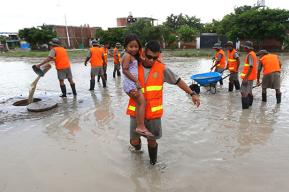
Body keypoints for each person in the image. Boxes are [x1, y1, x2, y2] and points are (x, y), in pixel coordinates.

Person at [127, 40, 200, 165]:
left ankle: (153, 164)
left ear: (159, 56)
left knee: (152, 141)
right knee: (134, 140)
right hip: (136, 112)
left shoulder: (162, 69)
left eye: (155, 58)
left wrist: (192, 93)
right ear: (143, 52)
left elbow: (178, 81)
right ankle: (138, 150)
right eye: (149, 56)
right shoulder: (133, 65)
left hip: (153, 114)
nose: (151, 60)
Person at [122, 34, 154, 138]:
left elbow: (141, 61)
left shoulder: (132, 56)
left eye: (136, 46)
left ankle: (140, 126)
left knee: (139, 103)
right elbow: (125, 70)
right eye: (131, 46)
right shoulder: (127, 56)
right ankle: (140, 126)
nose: (134, 49)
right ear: (126, 47)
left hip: (131, 84)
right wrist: (136, 80)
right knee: (142, 102)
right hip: (130, 84)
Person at [240, 41, 257, 109]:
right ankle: (249, 106)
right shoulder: (253, 54)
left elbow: (251, 67)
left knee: (243, 93)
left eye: (244, 47)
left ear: (247, 48)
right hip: (251, 77)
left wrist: (245, 78)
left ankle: (245, 110)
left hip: (248, 77)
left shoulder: (250, 55)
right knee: (249, 92)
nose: (243, 48)